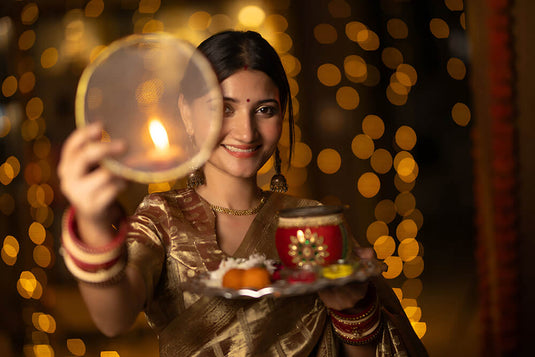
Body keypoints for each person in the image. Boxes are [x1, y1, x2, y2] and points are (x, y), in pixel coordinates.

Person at [58, 30, 428, 356]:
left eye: (264, 110)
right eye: (223, 109)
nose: (246, 132)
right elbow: (114, 318)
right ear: (186, 114)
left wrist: (354, 310)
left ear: (282, 114)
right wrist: (91, 222)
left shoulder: (313, 222)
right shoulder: (162, 219)